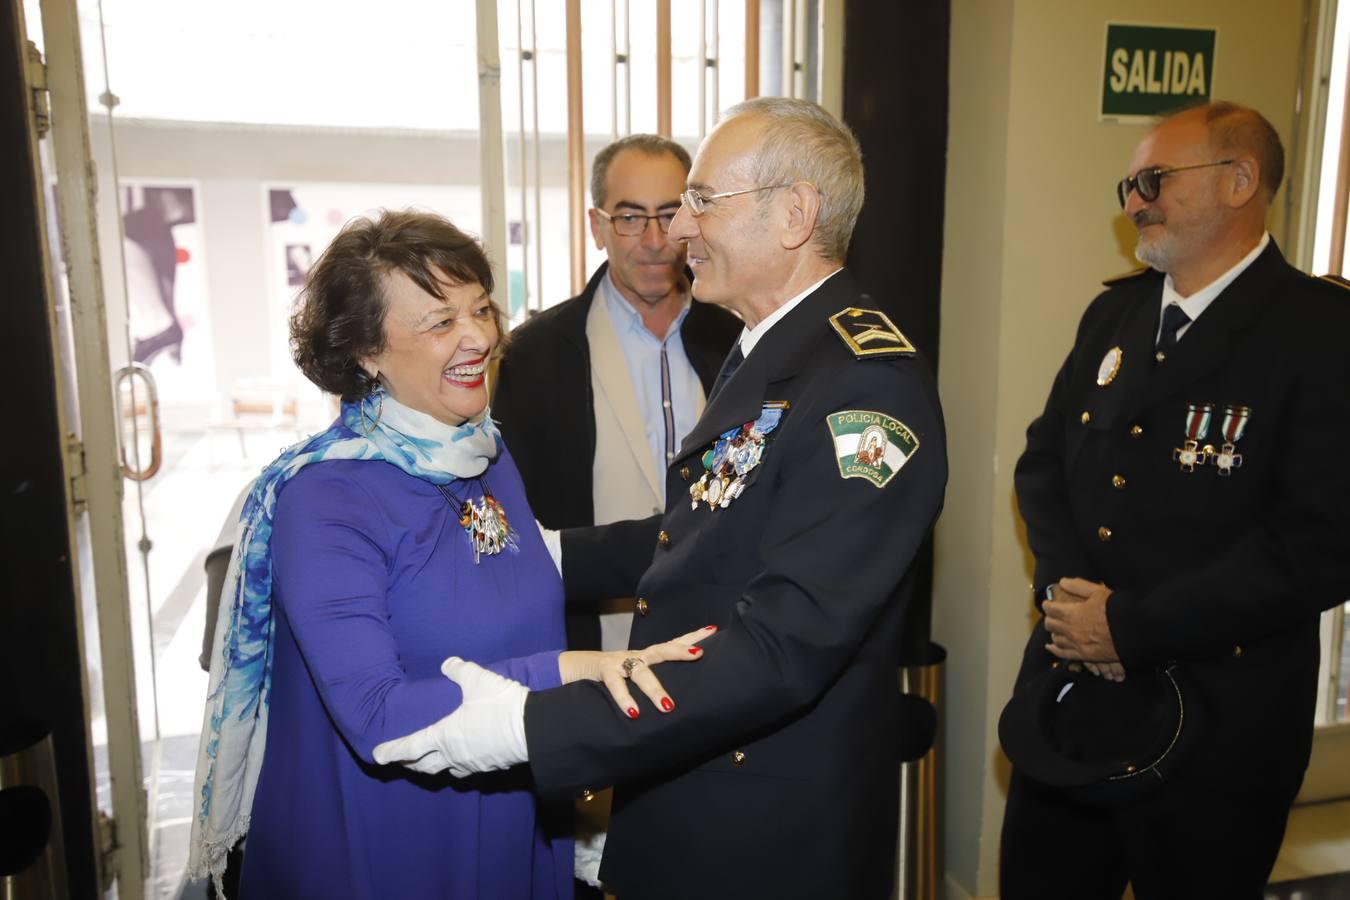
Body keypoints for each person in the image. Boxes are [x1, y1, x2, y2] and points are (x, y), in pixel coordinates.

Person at [374, 98, 949, 900]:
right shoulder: (775, 349)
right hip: (699, 777)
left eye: (703, 201)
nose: (679, 230)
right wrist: (546, 553)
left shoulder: (864, 387)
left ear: (794, 214)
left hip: (764, 823)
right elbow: (708, 532)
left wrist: (531, 726)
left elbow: (783, 648)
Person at [186, 210, 709, 898]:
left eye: (480, 309)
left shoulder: (483, 453)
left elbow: (511, 576)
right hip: (384, 847)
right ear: (367, 352)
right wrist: (576, 673)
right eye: (439, 323)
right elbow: (376, 713)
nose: (480, 338)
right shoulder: (326, 498)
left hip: (510, 812)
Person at [1000, 102, 1350, 898]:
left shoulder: (1322, 333)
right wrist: (1067, 597)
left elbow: (1321, 543)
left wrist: (1128, 627)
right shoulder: (1113, 314)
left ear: (1240, 181)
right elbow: (1044, 464)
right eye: (1130, 182)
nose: (1134, 200)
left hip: (1224, 726)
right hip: (1074, 700)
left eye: (1155, 179)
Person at [493, 133, 740, 653]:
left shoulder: (737, 340)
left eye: (670, 214)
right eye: (630, 217)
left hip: (722, 641)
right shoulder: (537, 355)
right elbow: (512, 522)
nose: (654, 240)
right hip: (589, 649)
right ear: (597, 226)